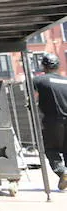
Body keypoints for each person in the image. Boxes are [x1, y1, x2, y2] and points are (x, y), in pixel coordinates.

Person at [32, 52, 67, 191]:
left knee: (51, 149)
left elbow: (27, 94)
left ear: (43, 66)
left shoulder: (40, 80)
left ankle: (62, 172)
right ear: (58, 66)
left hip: (53, 121)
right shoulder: (66, 80)